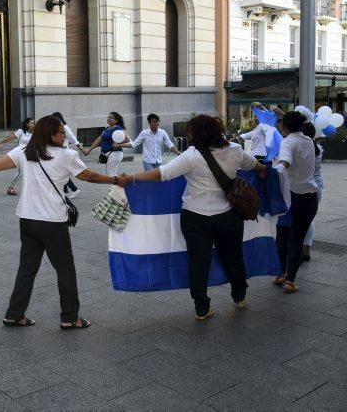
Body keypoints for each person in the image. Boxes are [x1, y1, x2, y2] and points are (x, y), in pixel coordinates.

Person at [0, 115, 123, 330]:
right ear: (51, 135)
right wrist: (116, 180)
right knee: (65, 270)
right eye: (62, 132)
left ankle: (14, 314)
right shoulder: (67, 155)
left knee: (27, 269)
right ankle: (70, 318)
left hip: (27, 219)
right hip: (53, 222)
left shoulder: (26, 151)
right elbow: (89, 177)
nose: (65, 136)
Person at [122, 115, 267, 320]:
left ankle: (202, 308)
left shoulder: (192, 155)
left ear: (197, 133)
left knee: (199, 263)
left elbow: (161, 174)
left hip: (195, 218)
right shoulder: (235, 150)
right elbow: (255, 165)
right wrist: (263, 170)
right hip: (228, 217)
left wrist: (130, 178)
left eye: (190, 131)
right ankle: (239, 296)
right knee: (234, 257)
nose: (188, 135)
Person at [273, 111, 319, 294]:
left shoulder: (287, 141)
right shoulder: (309, 141)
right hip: (309, 196)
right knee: (297, 238)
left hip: (289, 196)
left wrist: (271, 170)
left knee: (282, 235)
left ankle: (281, 273)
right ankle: (290, 280)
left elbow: (286, 161)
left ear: (283, 127)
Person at [82, 112, 131, 176]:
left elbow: (128, 139)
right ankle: (121, 182)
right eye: (108, 117)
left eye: (111, 118)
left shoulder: (118, 128)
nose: (108, 119)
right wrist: (89, 150)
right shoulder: (107, 129)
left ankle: (120, 183)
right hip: (106, 154)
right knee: (110, 173)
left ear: (116, 120)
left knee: (111, 174)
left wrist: (118, 144)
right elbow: (99, 140)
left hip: (115, 153)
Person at [302, 124, 323, 262]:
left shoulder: (302, 149)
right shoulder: (319, 148)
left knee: (300, 220)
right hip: (318, 186)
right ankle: (306, 252)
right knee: (309, 220)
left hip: (304, 187)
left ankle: (300, 251)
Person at [0, 118, 35, 196]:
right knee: (20, 172)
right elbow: (11, 138)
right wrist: (0, 142)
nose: (33, 124)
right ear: (27, 124)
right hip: (20, 153)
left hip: (29, 154)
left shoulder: (35, 133)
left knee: (29, 172)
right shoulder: (21, 131)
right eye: (31, 123)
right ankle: (10, 187)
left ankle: (29, 189)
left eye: (33, 123)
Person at [51, 112, 83, 199]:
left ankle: (74, 189)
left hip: (63, 152)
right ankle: (64, 192)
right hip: (58, 152)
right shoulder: (56, 128)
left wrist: (81, 149)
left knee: (61, 172)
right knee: (61, 172)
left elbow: (73, 139)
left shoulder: (65, 128)